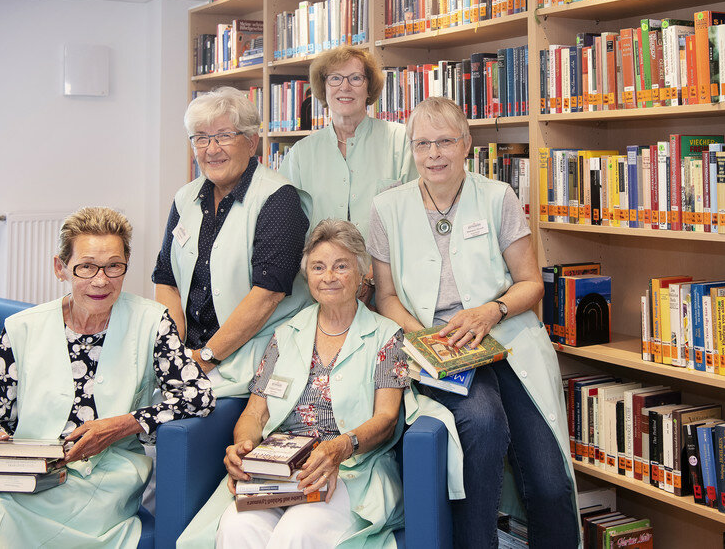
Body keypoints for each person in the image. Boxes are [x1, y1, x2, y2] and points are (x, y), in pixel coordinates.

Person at [368, 97, 580, 548]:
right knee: (483, 425)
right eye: (422, 144)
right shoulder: (387, 208)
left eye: (445, 141)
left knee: (548, 481)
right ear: (411, 150)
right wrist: (428, 342)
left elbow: (531, 284)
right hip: (440, 349)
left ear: (467, 144)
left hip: (507, 339)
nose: (434, 154)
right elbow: (384, 298)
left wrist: (491, 311)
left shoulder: (498, 197)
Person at [0, 207, 215, 548]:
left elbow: (199, 395)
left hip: (107, 480)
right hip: (26, 476)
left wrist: (123, 425)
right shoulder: (20, 328)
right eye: (86, 267)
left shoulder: (152, 321)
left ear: (126, 265)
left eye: (114, 266)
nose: (101, 280)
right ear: (61, 267)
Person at [178, 219, 407, 549]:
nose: (328, 277)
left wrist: (340, 447)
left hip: (349, 470)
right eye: (318, 267)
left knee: (297, 531)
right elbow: (255, 414)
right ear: (307, 275)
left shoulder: (386, 335)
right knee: (236, 527)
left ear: (362, 272)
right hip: (278, 472)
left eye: (341, 266)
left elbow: (386, 419)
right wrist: (244, 447)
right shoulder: (285, 335)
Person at [153, 86, 309, 397]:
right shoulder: (185, 197)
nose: (211, 149)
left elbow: (267, 295)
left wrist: (204, 359)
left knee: (170, 412)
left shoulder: (278, 198)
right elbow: (167, 280)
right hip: (191, 355)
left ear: (251, 142)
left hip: (252, 357)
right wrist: (175, 351)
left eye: (224, 136)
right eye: (201, 138)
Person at [277, 47, 416, 264]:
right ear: (323, 87)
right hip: (322, 278)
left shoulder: (402, 141)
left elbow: (416, 218)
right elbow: (286, 228)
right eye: (335, 78)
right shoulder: (300, 155)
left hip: (388, 274)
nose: (345, 87)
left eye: (355, 78)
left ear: (369, 87)